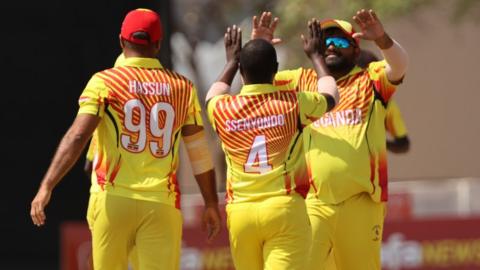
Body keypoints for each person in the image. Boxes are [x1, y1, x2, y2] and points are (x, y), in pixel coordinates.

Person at [30, 8, 221, 270]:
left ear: (121, 41)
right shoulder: (183, 87)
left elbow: (77, 136)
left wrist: (47, 186)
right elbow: (198, 152)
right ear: (158, 44)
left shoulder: (104, 82)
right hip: (160, 204)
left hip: (113, 200)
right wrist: (210, 202)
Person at [252, 9, 409, 270]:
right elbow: (257, 81)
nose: (332, 47)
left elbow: (400, 65)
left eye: (341, 42)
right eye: (325, 42)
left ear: (357, 51)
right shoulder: (302, 80)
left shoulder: (370, 80)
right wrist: (259, 46)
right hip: (313, 203)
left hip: (361, 203)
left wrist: (381, 38)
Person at [205, 19, 339, 270]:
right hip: (284, 210)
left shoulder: (222, 109)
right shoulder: (293, 104)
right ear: (276, 70)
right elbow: (331, 96)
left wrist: (231, 62)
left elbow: (213, 93)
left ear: (241, 71)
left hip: (241, 213)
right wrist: (316, 57)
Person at [357, 49, 410, 153]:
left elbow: (403, 144)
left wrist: (377, 142)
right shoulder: (330, 97)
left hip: (369, 166)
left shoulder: (385, 103)